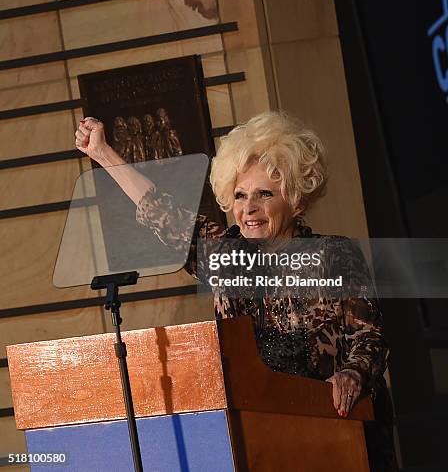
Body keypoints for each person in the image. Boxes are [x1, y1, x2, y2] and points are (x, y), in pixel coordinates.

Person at [75, 110, 397, 471]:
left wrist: (352, 374)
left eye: (264, 194)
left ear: (296, 199)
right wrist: (103, 153)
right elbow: (160, 212)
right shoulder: (225, 257)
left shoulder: (335, 255)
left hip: (337, 431)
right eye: (240, 195)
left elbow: (370, 337)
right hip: (260, 434)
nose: (249, 209)